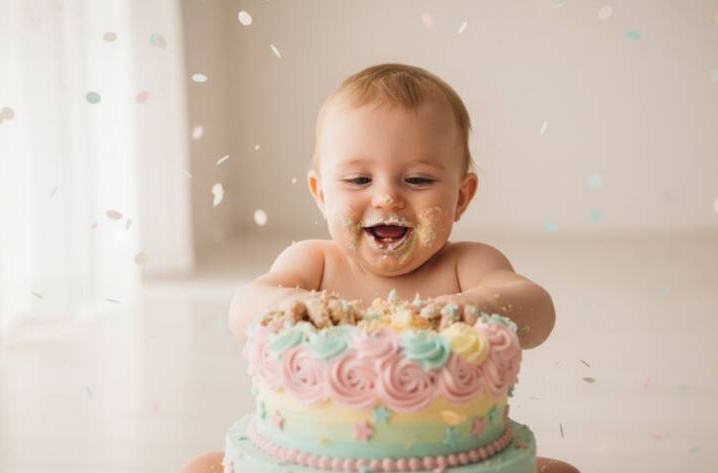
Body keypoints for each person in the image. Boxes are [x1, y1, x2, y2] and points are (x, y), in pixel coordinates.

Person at [182, 63, 579, 473]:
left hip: (447, 464)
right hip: (312, 463)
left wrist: (473, 305)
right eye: (358, 180)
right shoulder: (314, 263)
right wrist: (294, 304)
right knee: (202, 467)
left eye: (419, 180)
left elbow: (538, 311)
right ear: (321, 194)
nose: (388, 197)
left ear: (461, 197)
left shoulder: (467, 265)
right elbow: (243, 309)